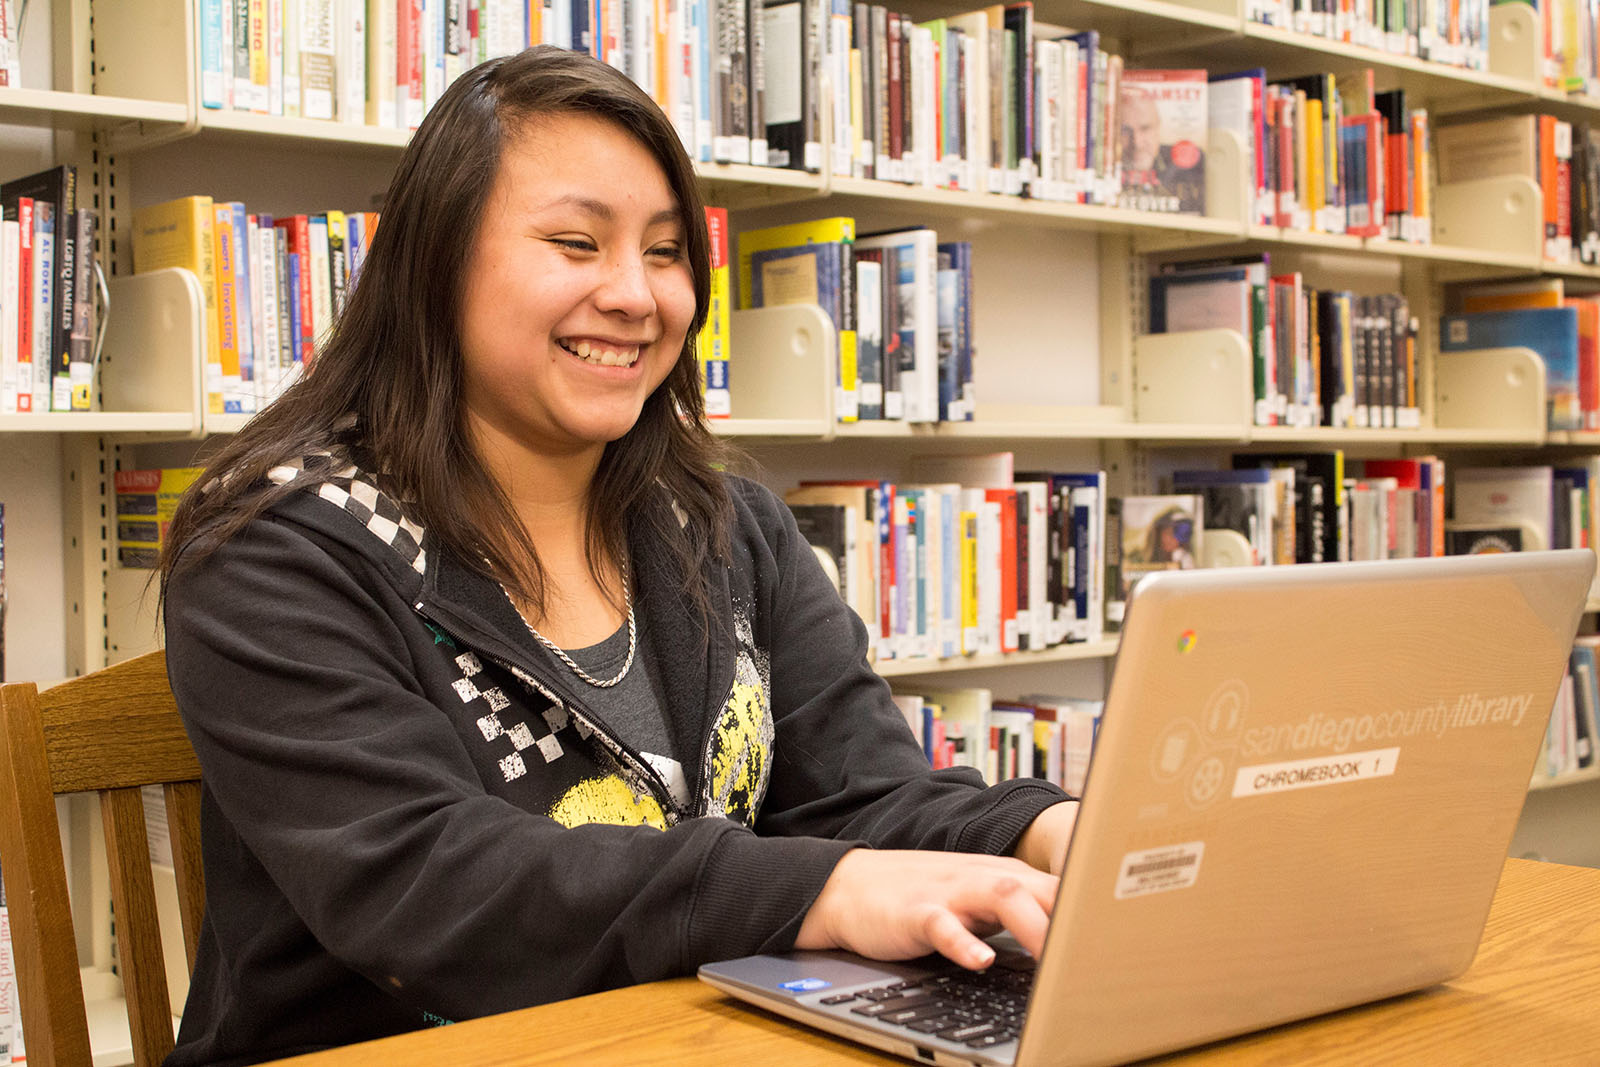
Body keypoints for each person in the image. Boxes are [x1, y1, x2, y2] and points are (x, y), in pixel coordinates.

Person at [158, 45, 1078, 1066]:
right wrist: (823, 886)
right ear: (435, 262)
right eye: (576, 243)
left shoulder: (728, 525)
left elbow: (864, 794)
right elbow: (428, 883)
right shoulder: (273, 551)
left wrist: (1047, 834)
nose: (636, 295)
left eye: (667, 251)